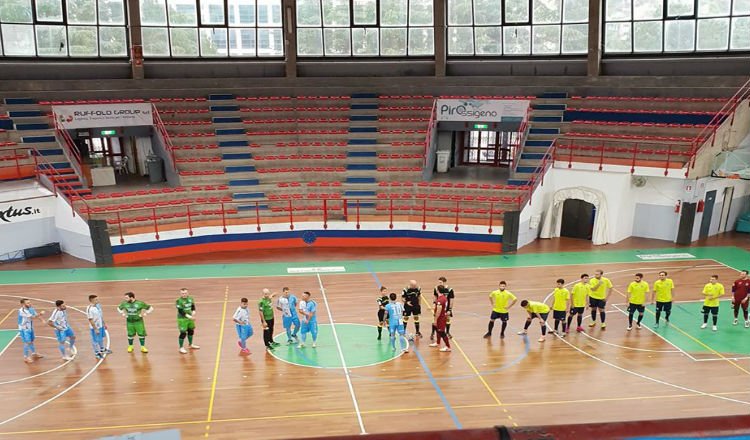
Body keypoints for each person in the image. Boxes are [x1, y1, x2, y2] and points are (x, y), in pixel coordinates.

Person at [18, 299, 44, 364]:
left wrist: (42, 320)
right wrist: (40, 314)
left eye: (30, 302)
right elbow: (32, 317)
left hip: (30, 327)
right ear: (23, 304)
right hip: (24, 329)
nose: (30, 304)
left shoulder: (31, 309)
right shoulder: (22, 311)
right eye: (28, 303)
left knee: (31, 341)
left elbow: (35, 314)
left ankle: (34, 353)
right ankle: (26, 357)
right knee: (27, 342)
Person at [176, 288, 200, 354]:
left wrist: (193, 311)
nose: (184, 294)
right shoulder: (178, 301)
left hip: (190, 318)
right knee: (183, 333)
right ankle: (181, 348)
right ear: (180, 294)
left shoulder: (190, 298)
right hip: (182, 319)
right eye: (182, 293)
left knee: (191, 330)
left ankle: (191, 344)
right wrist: (190, 317)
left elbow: (193, 306)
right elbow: (180, 311)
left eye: (185, 293)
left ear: (187, 293)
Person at [86, 295, 110, 359]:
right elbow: (90, 319)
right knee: (95, 340)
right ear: (92, 300)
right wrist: (95, 329)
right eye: (96, 299)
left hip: (100, 325)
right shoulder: (89, 309)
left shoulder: (98, 306)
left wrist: (104, 323)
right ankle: (97, 353)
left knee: (101, 338)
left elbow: (100, 315)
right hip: (95, 327)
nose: (98, 300)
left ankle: (102, 349)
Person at [428, 286, 451, 352]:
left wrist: (435, 320)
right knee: (437, 329)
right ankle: (438, 342)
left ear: (438, 291)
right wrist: (432, 308)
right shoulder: (444, 297)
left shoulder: (440, 300)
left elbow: (439, 311)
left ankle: (448, 347)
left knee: (442, 332)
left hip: (441, 318)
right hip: (442, 316)